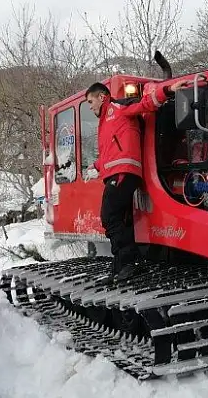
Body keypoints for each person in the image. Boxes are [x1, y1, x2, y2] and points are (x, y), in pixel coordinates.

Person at [84, 79, 190, 280]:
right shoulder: (107, 120)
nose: (90, 107)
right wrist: (96, 166)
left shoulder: (118, 108)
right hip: (116, 173)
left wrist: (168, 90)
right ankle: (120, 267)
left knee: (109, 216)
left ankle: (128, 263)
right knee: (121, 220)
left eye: (90, 101)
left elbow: (146, 103)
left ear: (102, 96)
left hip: (123, 172)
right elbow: (110, 151)